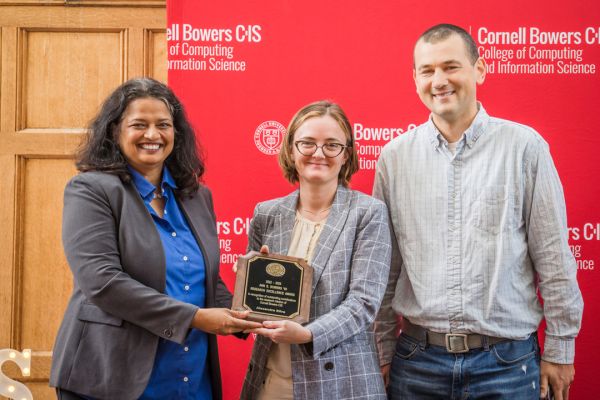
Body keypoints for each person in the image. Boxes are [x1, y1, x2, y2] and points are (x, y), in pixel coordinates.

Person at [374, 24, 583, 400]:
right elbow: (385, 271)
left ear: (480, 70)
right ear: (415, 78)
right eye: (428, 70)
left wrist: (560, 349)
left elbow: (553, 258)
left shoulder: (525, 148)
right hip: (417, 362)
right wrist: (383, 350)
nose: (439, 80)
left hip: (508, 364)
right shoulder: (393, 158)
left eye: (451, 66)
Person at [49, 78, 261, 400]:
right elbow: (102, 282)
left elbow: (205, 280)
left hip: (190, 376)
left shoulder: (196, 196)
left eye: (163, 124)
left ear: (176, 132)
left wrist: (251, 310)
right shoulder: (91, 190)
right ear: (115, 131)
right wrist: (195, 318)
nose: (153, 135)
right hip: (112, 379)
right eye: (139, 125)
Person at [238, 101, 391, 399]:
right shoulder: (266, 213)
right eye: (307, 143)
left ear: (346, 154)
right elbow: (253, 309)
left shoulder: (368, 213)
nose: (318, 153)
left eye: (331, 145)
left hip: (343, 382)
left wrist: (309, 335)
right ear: (291, 149)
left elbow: (364, 303)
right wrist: (246, 286)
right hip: (272, 382)